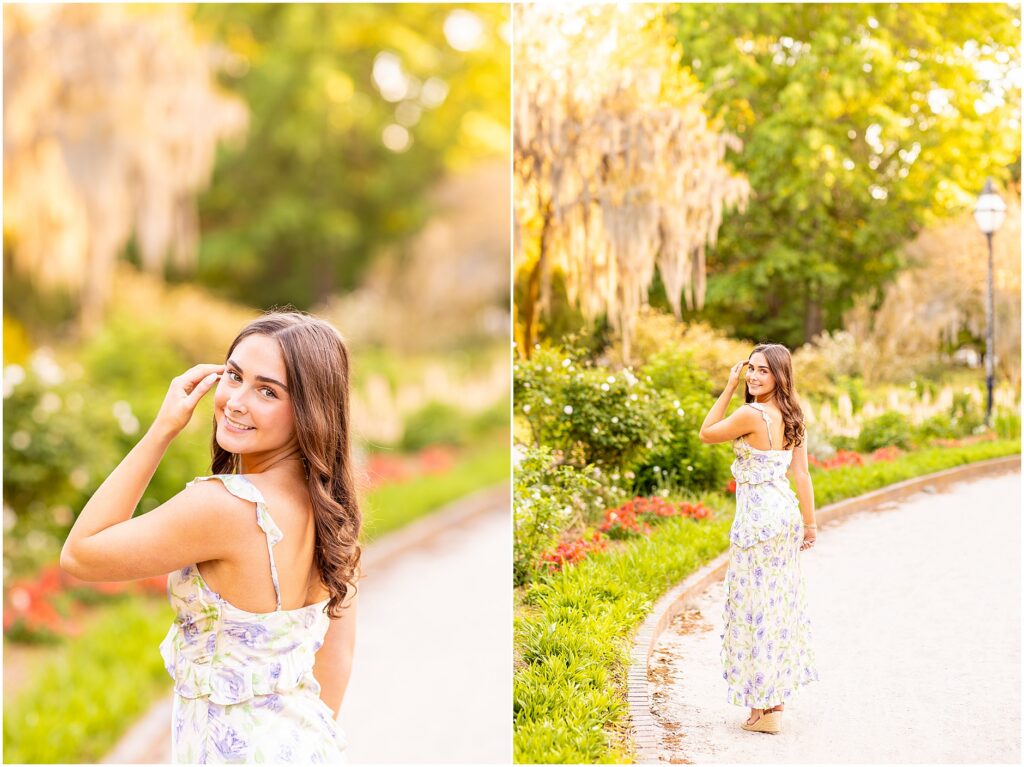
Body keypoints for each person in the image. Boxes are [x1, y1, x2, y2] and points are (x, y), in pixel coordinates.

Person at [61, 310, 360, 762]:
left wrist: (163, 429)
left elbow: (81, 554)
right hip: (305, 745)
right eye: (234, 376)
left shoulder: (225, 506)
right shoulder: (332, 507)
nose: (237, 401)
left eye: (267, 391)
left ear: (309, 408)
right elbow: (337, 655)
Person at [698, 342, 818, 734]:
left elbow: (706, 433)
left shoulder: (751, 413)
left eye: (762, 371)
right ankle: (773, 704)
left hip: (757, 524)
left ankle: (761, 710)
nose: (752, 375)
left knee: (755, 610)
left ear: (779, 375)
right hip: (784, 517)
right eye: (750, 369)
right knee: (778, 607)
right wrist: (809, 523)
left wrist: (729, 387)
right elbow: (801, 475)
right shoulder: (792, 413)